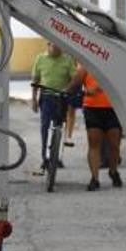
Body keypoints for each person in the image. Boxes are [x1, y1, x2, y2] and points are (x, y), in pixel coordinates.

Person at [67, 64, 123, 192]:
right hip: (92, 108)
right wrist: (83, 91)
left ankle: (113, 171)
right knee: (94, 143)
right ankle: (94, 178)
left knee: (114, 144)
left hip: (114, 108)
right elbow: (76, 83)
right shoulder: (87, 63)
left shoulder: (115, 62)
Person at [31, 42, 77, 174]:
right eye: (54, 48)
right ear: (48, 45)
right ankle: (44, 157)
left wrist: (68, 89)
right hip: (46, 97)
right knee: (44, 126)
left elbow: (74, 78)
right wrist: (34, 99)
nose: (57, 50)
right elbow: (35, 79)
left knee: (59, 126)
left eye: (59, 48)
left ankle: (57, 156)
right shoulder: (40, 58)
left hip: (61, 98)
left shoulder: (67, 60)